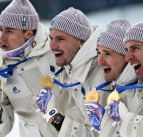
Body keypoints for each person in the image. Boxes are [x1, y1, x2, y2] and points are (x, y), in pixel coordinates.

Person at [0, 0, 58, 136]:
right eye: (1, 29)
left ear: (28, 33)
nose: (1, 37)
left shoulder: (56, 52)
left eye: (9, 31)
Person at [36, 7, 111, 136]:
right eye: (51, 38)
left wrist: (55, 118)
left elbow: (98, 134)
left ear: (81, 41)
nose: (52, 45)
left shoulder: (102, 76)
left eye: (60, 39)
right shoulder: (69, 68)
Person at [84, 19, 138, 136]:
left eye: (107, 54)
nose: (100, 61)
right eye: (98, 53)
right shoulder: (111, 87)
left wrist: (125, 121)